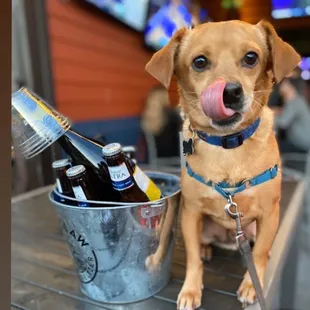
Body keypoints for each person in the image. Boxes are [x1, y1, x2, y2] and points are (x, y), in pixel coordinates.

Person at [274, 77, 310, 153]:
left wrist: (268, 117)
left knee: (272, 147)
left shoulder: (294, 102)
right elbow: (285, 113)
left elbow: (282, 123)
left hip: (301, 143)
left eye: (284, 85)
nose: (280, 89)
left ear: (291, 87)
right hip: (304, 141)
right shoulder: (298, 100)